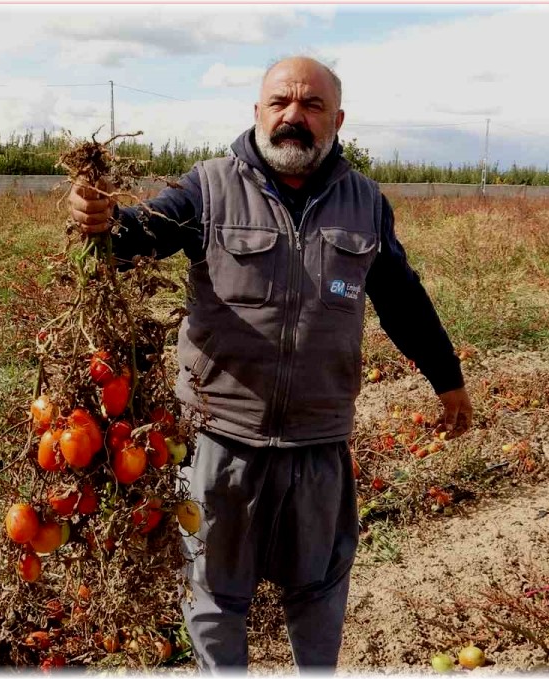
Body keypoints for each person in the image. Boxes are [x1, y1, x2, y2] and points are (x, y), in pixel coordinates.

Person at [67, 56, 473, 672]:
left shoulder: (364, 202)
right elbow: (137, 236)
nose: (294, 117)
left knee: (317, 594)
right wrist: (102, 223)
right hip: (219, 443)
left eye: (311, 106)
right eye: (281, 102)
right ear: (257, 113)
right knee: (214, 596)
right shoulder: (207, 187)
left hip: (318, 445)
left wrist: (448, 380)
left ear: (337, 119)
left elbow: (402, 299)